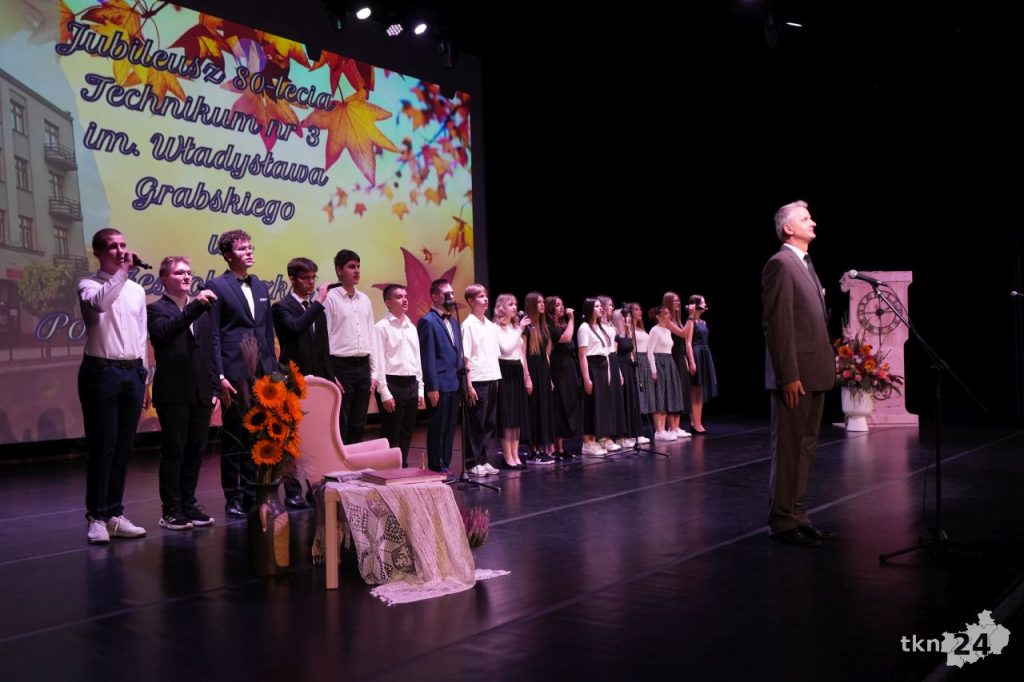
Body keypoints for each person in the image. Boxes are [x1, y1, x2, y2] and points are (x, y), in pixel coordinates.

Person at [762, 200, 835, 546]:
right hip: (796, 376)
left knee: (805, 448)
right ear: (788, 228)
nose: (813, 222)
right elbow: (778, 325)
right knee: (790, 449)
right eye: (805, 218)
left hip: (815, 371)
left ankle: (798, 514)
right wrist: (788, 375)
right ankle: (782, 521)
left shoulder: (805, 264)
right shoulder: (780, 264)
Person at [77, 228, 149, 544]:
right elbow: (101, 304)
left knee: (123, 446)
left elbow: (142, 333)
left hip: (132, 371)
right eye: (113, 247)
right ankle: (97, 516)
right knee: (102, 445)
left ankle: (115, 514)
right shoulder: (89, 285)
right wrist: (121, 273)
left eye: (123, 245)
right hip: (101, 371)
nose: (121, 251)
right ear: (98, 253)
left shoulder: (137, 290)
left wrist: (145, 375)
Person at [206, 230, 279, 518]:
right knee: (234, 434)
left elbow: (267, 331)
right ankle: (233, 495)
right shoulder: (216, 285)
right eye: (241, 249)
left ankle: (252, 490)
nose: (248, 252)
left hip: (262, 372)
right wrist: (219, 376)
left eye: (250, 247)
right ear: (227, 255)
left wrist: (273, 370)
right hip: (234, 370)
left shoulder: (260, 285)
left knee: (258, 432)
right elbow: (213, 335)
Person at [148, 256, 219, 530]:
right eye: (179, 273)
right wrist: (196, 306)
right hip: (173, 391)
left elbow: (209, 349)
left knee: (195, 451)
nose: (187, 276)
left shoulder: (202, 310)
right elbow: (166, 332)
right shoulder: (156, 310)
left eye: (189, 272)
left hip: (201, 391)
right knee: (174, 450)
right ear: (164, 279)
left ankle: (189, 503)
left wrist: (214, 386)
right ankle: (171, 509)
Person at [271, 257, 334, 507]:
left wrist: (331, 378)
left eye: (313, 277)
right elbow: (295, 328)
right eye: (306, 278)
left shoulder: (315, 308)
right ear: (293, 279)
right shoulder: (282, 307)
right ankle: (292, 490)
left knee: (317, 433)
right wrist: (319, 302)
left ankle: (316, 486)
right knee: (292, 436)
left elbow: (323, 347)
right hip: (292, 379)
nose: (311, 283)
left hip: (318, 380)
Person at [323, 249, 378, 444]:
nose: (357, 271)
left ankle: (354, 459)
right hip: (341, 365)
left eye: (358, 266)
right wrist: (331, 373)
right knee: (341, 421)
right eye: (351, 267)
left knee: (359, 421)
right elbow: (324, 339)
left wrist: (374, 372)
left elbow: (371, 335)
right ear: (339, 270)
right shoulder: (330, 298)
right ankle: (340, 461)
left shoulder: (364, 299)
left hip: (363, 365)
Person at [373, 285, 425, 467]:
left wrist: (420, 388)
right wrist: (384, 391)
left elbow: (417, 359)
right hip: (392, 382)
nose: (404, 299)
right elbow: (378, 361)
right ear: (388, 302)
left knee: (407, 430)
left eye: (405, 296)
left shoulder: (411, 326)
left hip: (411, 382)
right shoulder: (381, 327)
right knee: (391, 431)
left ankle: (402, 466)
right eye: (398, 296)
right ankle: (388, 468)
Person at [417, 278, 463, 477]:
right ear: (435, 297)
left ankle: (446, 464)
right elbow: (427, 357)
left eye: (452, 294)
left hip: (454, 382)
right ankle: (436, 466)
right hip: (439, 384)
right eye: (447, 294)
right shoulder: (428, 321)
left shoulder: (453, 322)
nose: (451, 298)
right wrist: (432, 386)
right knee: (438, 426)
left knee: (451, 427)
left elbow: (457, 351)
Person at [461, 284, 504, 472]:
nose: (485, 299)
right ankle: (472, 462)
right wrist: (468, 385)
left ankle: (483, 459)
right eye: (480, 296)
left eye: (485, 295)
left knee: (488, 422)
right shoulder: (468, 325)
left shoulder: (491, 326)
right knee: (476, 422)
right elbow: (466, 357)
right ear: (471, 301)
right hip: (477, 380)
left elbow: (494, 355)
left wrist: (497, 379)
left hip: (492, 377)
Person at [545, 296, 582, 459]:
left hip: (569, 369)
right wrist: (572, 318)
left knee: (567, 405)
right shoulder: (549, 327)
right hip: (558, 369)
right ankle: (553, 447)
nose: (561, 307)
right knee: (558, 407)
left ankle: (560, 447)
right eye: (557, 305)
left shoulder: (562, 325)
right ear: (550, 308)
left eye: (562, 304)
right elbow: (565, 339)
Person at [522, 292, 556, 463]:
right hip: (532, 370)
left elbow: (546, 354)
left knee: (543, 408)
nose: (542, 304)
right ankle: (532, 450)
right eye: (539, 302)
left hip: (543, 371)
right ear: (531, 305)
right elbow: (522, 354)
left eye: (543, 301)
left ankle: (542, 447)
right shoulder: (527, 327)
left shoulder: (543, 327)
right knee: (533, 409)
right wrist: (527, 377)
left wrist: (549, 378)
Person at [645, 305, 685, 440]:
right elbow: (650, 351)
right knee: (659, 396)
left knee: (668, 396)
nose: (669, 315)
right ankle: (659, 431)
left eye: (669, 313)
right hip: (659, 363)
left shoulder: (667, 331)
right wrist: (653, 369)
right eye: (666, 313)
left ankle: (667, 429)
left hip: (669, 362)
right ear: (658, 316)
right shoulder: (654, 330)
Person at [686, 294, 718, 434]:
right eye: (703, 302)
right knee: (695, 390)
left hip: (704, 353)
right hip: (696, 353)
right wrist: (692, 361)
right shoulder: (691, 322)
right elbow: (688, 343)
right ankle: (694, 423)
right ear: (696, 305)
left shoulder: (703, 322)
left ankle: (698, 422)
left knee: (700, 391)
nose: (705, 305)